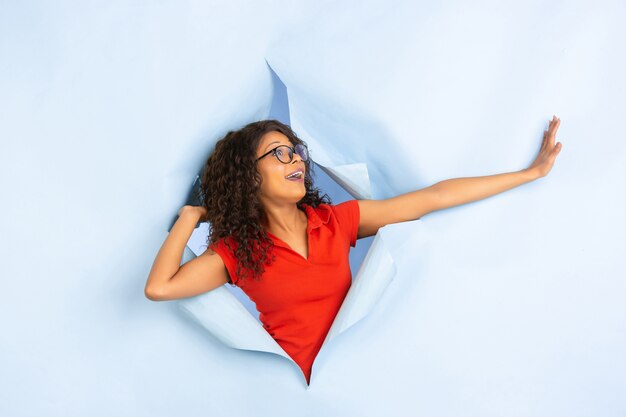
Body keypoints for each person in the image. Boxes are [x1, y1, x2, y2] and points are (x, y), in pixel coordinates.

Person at [144, 117, 563, 385]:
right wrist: (189, 217)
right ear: (247, 176)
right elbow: (160, 287)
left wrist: (530, 173)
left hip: (367, 372)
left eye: (297, 152)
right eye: (280, 153)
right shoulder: (237, 252)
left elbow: (434, 197)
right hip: (303, 392)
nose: (297, 162)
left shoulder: (336, 221)